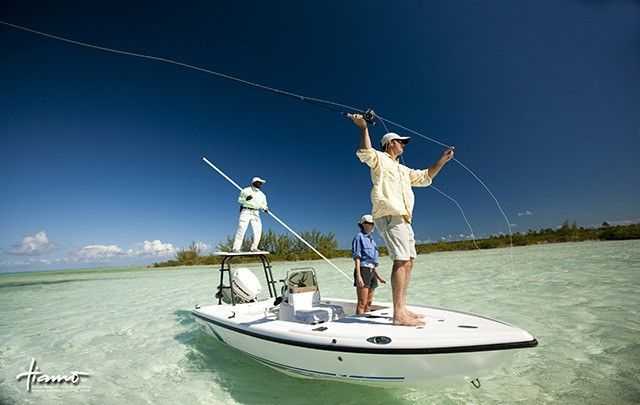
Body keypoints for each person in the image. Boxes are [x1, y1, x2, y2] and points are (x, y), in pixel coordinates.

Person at [350, 113, 454, 326]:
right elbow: (364, 152)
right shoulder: (379, 158)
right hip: (389, 214)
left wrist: (442, 161)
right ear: (390, 143)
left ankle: (402, 307)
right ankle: (398, 315)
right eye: (401, 141)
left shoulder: (403, 170)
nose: (404, 145)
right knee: (401, 260)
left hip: (405, 219)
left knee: (410, 262)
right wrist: (363, 127)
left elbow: (425, 177)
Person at [352, 214, 386, 315]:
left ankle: (366, 321)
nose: (372, 225)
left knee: (369, 302)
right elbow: (357, 258)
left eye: (373, 224)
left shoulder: (372, 241)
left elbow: (373, 262)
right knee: (362, 302)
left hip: (372, 272)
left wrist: (378, 277)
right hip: (363, 270)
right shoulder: (359, 237)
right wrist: (358, 276)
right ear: (363, 224)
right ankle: (358, 324)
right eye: (369, 223)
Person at [232, 177, 269, 252]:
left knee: (258, 230)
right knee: (241, 229)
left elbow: (264, 205)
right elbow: (239, 200)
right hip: (246, 211)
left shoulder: (262, 195)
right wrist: (246, 199)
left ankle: (254, 248)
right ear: (254, 182)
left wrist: (265, 209)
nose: (260, 184)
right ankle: (236, 248)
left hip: (256, 212)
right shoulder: (245, 190)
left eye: (261, 183)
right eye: (259, 182)